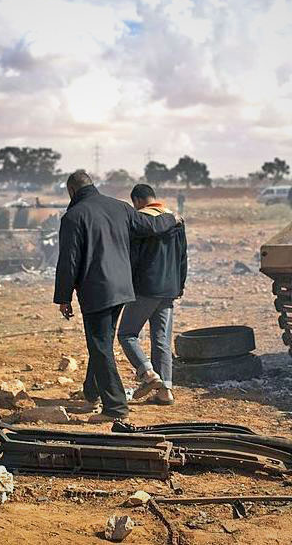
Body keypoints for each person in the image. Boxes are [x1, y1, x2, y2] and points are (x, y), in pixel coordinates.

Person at [53, 171, 180, 423]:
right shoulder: (120, 207)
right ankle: (93, 391)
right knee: (102, 343)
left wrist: (63, 297)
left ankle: (115, 407)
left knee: (99, 345)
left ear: (71, 192)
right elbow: (150, 226)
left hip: (96, 290)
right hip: (123, 289)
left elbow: (68, 261)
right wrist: (172, 218)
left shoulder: (73, 217)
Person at [118, 184, 187, 405]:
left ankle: (148, 373)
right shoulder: (174, 218)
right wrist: (179, 285)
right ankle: (165, 392)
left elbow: (133, 258)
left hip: (145, 288)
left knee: (127, 334)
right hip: (169, 289)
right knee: (162, 341)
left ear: (137, 201)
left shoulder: (141, 221)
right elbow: (182, 257)